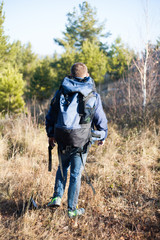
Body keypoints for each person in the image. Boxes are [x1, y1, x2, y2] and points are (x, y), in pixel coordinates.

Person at [45, 62, 108, 218]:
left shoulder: (61, 91)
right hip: (81, 140)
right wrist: (103, 134)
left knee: (62, 168)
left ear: (70, 75)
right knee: (75, 174)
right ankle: (72, 210)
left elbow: (51, 114)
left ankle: (57, 197)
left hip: (62, 137)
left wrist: (51, 134)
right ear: (86, 75)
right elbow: (100, 119)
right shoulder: (93, 94)